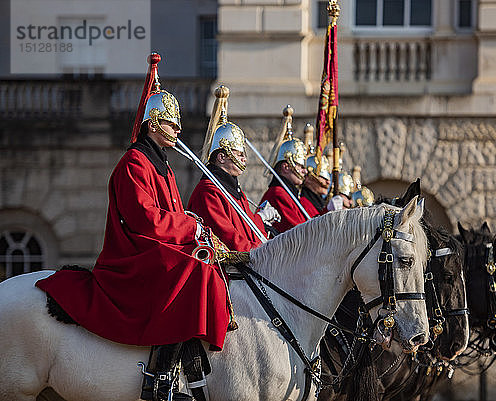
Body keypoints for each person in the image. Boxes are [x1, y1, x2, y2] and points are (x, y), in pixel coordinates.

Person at [35, 54, 227, 401]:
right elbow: (146, 220)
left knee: (206, 260)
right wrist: (190, 227)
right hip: (133, 254)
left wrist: (192, 225)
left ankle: (192, 357)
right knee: (193, 268)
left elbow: (170, 216)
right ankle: (161, 375)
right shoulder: (134, 164)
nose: (178, 130)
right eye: (172, 124)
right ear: (153, 124)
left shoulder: (162, 166)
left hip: (156, 245)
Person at [188, 86, 279, 251]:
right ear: (221, 157)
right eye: (238, 154)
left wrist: (261, 222)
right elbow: (226, 236)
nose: (244, 158)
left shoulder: (233, 189)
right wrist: (259, 252)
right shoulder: (209, 191)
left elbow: (247, 228)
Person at [259, 106, 309, 233]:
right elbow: (298, 229)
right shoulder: (278, 193)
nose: (305, 171)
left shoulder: (289, 193)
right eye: (301, 166)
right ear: (286, 167)